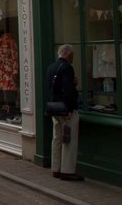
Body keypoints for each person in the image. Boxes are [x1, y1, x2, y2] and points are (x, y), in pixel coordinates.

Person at [46, 44, 84, 181]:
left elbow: (52, 89)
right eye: (72, 54)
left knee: (56, 138)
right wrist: (69, 109)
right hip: (66, 109)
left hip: (54, 108)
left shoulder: (51, 67)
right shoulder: (67, 68)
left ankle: (55, 168)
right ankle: (67, 171)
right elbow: (68, 90)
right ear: (68, 55)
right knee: (69, 139)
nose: (73, 57)